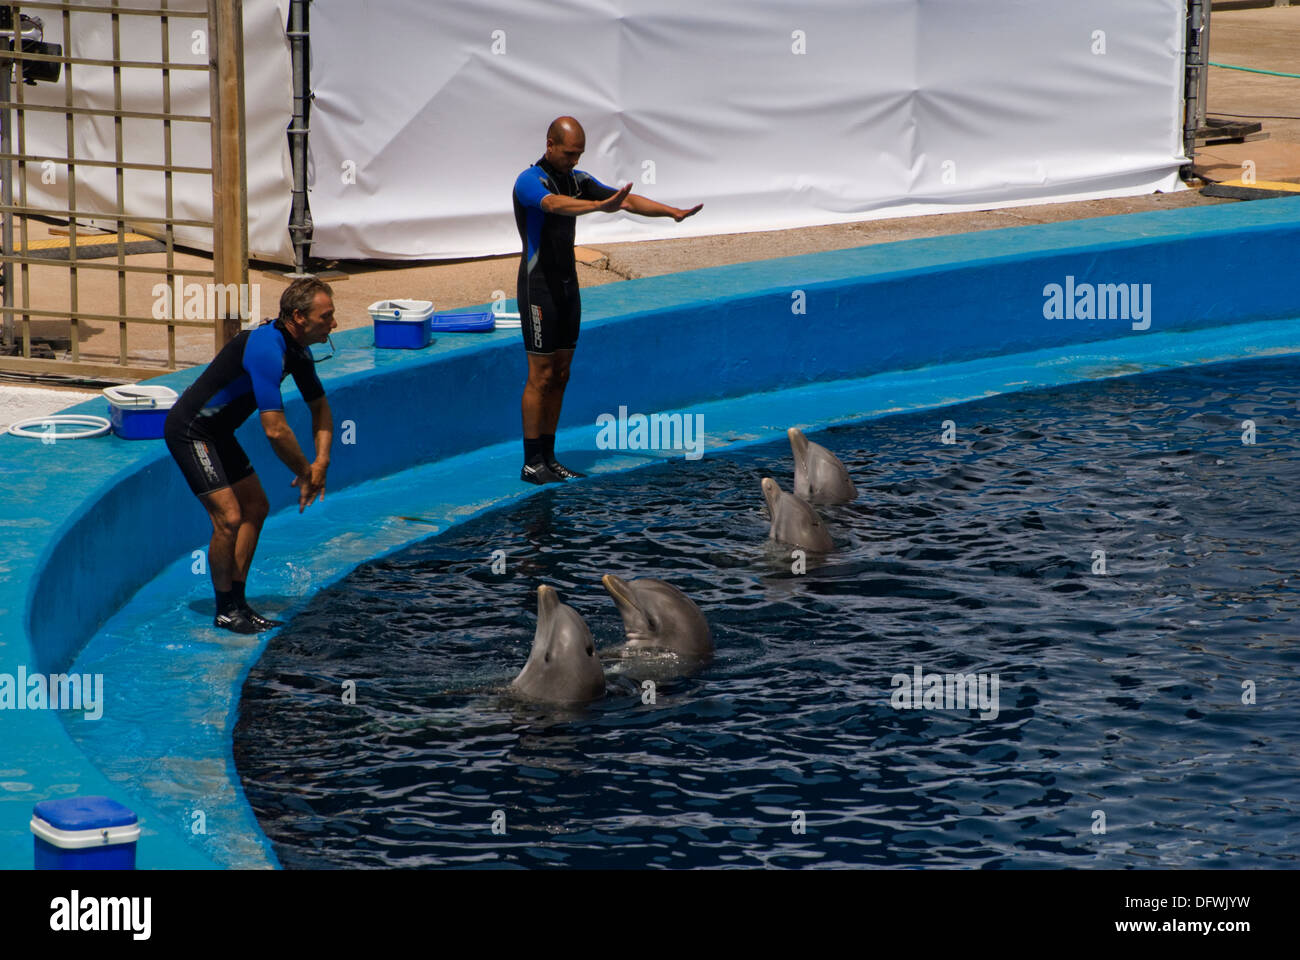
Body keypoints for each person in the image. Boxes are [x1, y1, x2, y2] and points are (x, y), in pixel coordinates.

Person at [512, 116, 702, 484]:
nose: (574, 161)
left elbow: (625, 200)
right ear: (550, 144)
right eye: (569, 154)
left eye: (579, 154)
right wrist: (599, 207)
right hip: (538, 290)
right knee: (541, 375)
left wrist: (671, 212)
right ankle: (532, 461)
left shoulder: (578, 181)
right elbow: (553, 206)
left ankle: (550, 457)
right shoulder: (530, 182)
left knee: (563, 373)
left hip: (568, 287)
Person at [164, 278, 337, 634]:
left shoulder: (299, 351)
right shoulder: (266, 348)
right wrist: (305, 472)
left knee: (256, 507)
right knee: (228, 517)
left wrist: (321, 462)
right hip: (191, 431)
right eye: (326, 316)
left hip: (218, 433)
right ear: (298, 317)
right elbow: (274, 428)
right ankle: (225, 609)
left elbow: (320, 407)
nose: (334, 324)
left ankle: (239, 602)